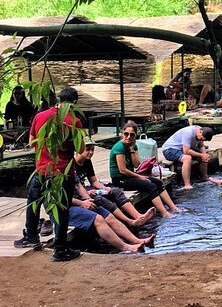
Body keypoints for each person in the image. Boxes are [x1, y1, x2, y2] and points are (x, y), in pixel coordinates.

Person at [14, 87, 83, 262]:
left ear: (58, 99)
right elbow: (80, 149)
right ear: (74, 103)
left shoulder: (40, 116)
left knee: (33, 202)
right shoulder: (73, 121)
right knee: (61, 210)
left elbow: (31, 143)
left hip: (42, 170)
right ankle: (60, 250)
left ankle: (31, 237)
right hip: (62, 173)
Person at [74, 139, 156, 228]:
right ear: (79, 149)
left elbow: (93, 181)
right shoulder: (72, 164)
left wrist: (104, 188)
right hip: (78, 194)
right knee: (99, 199)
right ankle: (129, 221)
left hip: (86, 189)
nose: (90, 153)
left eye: (92, 150)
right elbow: (75, 187)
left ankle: (138, 216)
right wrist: (87, 194)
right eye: (87, 150)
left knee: (116, 191)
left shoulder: (87, 161)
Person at [109, 121, 180, 218]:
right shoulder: (119, 147)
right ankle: (164, 213)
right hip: (120, 179)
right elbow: (122, 170)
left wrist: (132, 150)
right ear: (122, 134)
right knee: (150, 186)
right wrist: (139, 176)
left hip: (129, 176)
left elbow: (136, 164)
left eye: (132, 135)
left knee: (158, 182)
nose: (128, 137)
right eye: (126, 134)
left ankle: (173, 208)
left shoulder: (133, 145)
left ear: (135, 136)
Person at [68, 202, 155, 253]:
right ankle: (126, 247)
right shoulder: (58, 173)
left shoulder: (72, 172)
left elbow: (79, 186)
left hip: (78, 203)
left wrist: (87, 198)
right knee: (98, 219)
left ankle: (137, 240)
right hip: (65, 208)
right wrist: (82, 202)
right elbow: (61, 199)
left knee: (109, 217)